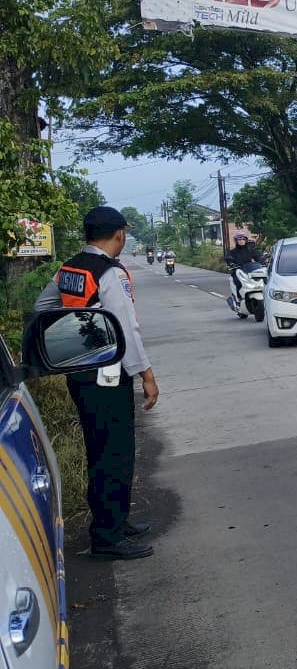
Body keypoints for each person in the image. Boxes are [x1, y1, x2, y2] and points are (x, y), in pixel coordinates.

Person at [35, 206, 159, 560]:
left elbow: (44, 306)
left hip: (80, 372)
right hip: (108, 372)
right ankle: (107, 536)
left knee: (100, 450)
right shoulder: (109, 273)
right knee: (115, 455)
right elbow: (126, 330)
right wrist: (146, 374)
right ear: (119, 234)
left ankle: (115, 521)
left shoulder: (71, 267)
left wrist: (75, 335)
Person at [224, 233, 265, 306]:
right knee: (237, 280)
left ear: (246, 240)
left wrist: (261, 260)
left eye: (243, 239)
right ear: (236, 241)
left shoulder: (250, 250)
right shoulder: (233, 252)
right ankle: (238, 298)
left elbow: (259, 256)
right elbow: (228, 258)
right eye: (239, 239)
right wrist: (231, 263)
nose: (242, 241)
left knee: (263, 278)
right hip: (238, 270)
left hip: (249, 270)